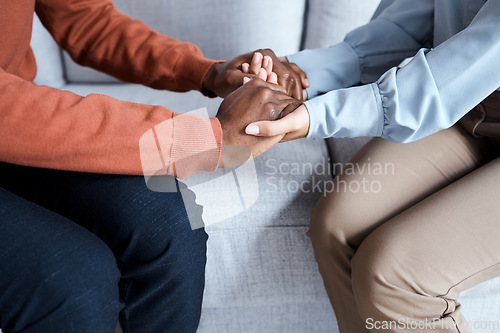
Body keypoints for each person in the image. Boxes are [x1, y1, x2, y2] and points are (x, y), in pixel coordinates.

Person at [0, 0, 308, 332]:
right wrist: (197, 140)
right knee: (76, 282)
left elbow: (84, 18)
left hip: (22, 138)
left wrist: (207, 71)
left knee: (171, 227)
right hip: (12, 120)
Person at [246, 0, 500, 332]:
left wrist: (318, 116)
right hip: (468, 112)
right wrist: (296, 75)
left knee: (393, 274)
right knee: (338, 226)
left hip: (450, 91)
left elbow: (461, 70)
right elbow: (411, 26)